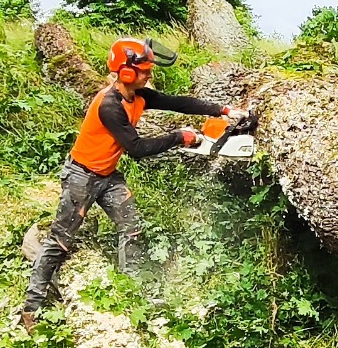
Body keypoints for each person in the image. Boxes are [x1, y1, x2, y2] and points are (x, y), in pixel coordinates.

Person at [21, 37, 244, 330]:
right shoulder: (109, 105)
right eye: (144, 70)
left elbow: (178, 102)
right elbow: (136, 149)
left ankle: (132, 293)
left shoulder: (139, 95)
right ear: (126, 72)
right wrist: (179, 137)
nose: (149, 75)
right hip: (82, 177)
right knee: (60, 240)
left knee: (132, 228)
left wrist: (223, 110)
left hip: (108, 175)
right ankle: (31, 309)